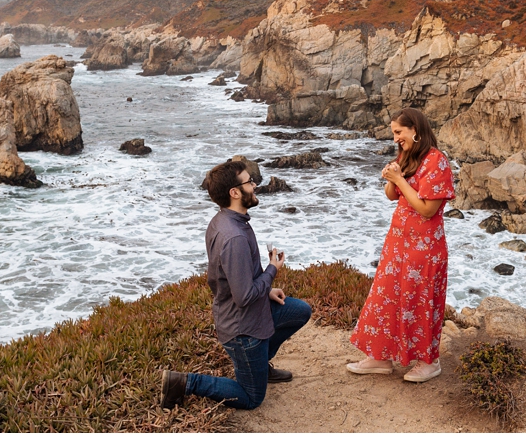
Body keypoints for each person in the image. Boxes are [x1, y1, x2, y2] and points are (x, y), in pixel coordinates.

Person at [161, 160, 312, 410]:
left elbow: (234, 281)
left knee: (300, 311)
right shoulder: (235, 237)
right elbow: (243, 297)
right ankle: (185, 382)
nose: (254, 185)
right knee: (252, 398)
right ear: (234, 192)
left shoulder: (224, 220)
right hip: (243, 331)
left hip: (249, 313)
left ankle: (260, 366)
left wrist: (266, 289)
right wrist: (272, 269)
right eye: (249, 182)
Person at [347, 108, 455, 382]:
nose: (395, 138)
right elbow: (391, 195)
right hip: (398, 244)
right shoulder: (409, 156)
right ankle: (380, 357)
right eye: (393, 132)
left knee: (420, 301)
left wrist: (399, 180)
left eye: (399, 132)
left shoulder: (437, 162)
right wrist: (392, 177)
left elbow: (427, 209)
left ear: (415, 130)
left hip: (425, 248)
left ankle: (430, 362)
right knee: (386, 298)